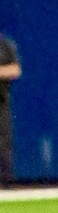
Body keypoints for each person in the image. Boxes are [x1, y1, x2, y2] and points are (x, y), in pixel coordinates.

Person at [0, 29, 16, 185]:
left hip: (1, 101)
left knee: (4, 144)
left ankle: (5, 184)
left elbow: (15, 69)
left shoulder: (5, 44)